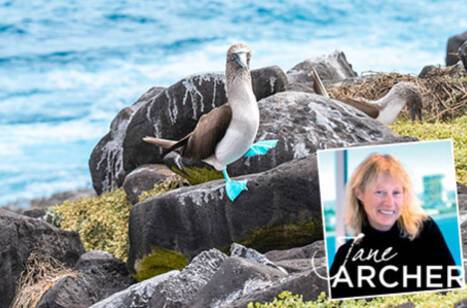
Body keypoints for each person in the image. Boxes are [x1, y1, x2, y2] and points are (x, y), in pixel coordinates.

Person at [329, 154, 461, 298]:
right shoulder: (346, 255)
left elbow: (452, 291)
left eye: (396, 193)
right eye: (380, 192)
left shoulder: (425, 230)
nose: (389, 202)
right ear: (359, 193)